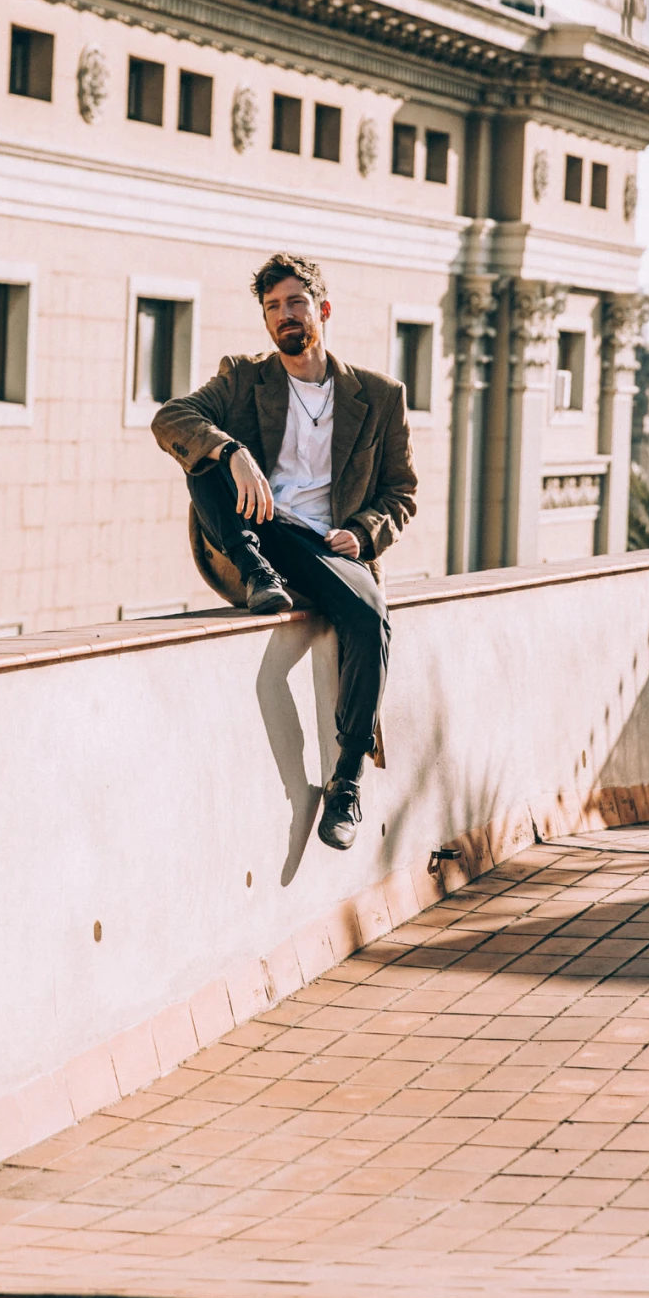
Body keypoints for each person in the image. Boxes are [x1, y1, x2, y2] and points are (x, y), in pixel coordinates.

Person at [152, 253, 416, 851]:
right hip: (259, 528)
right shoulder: (246, 378)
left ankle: (345, 781)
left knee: (369, 614)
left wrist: (367, 532)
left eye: (295, 303)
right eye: (273, 307)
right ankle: (254, 571)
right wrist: (231, 452)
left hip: (327, 545)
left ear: (322, 310)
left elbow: (402, 491)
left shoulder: (378, 396)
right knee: (203, 451)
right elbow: (173, 418)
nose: (284, 316)